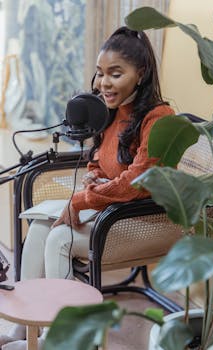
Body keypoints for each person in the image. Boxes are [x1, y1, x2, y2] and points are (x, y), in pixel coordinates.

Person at [0, 26, 175, 349]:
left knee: (59, 238)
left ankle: (62, 339)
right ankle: (23, 331)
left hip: (142, 219)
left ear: (142, 73)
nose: (103, 83)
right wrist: (94, 177)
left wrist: (82, 199)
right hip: (112, 208)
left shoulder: (159, 118)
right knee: (39, 231)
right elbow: (99, 159)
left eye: (115, 73)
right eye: (100, 74)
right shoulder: (110, 112)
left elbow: (138, 183)